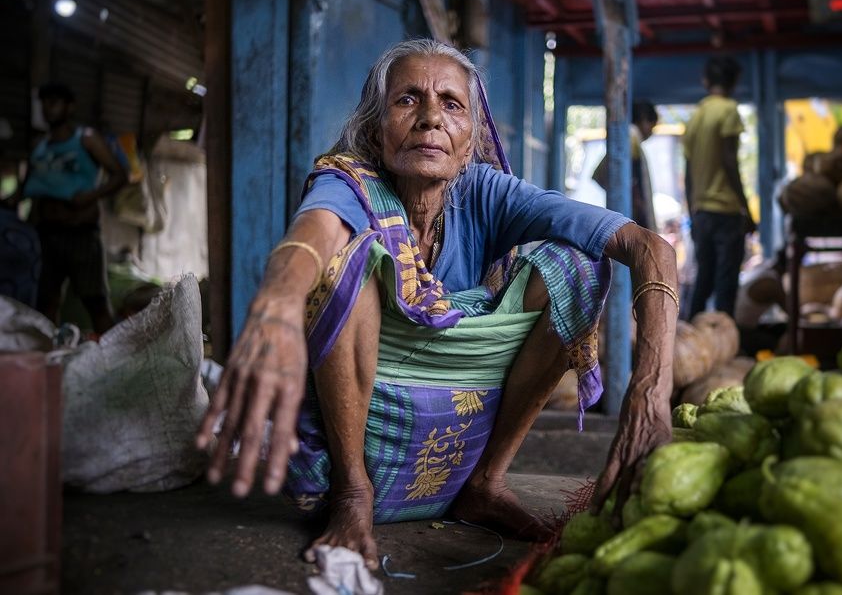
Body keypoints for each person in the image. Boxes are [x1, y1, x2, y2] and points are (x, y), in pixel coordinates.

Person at [195, 39, 679, 568]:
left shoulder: (487, 192)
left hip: (454, 444)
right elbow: (315, 234)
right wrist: (276, 304)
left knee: (578, 266)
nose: (430, 119)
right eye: (407, 100)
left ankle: (486, 483)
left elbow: (647, 246)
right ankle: (354, 494)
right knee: (347, 259)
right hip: (358, 438)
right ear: (377, 130)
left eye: (451, 104)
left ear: (470, 140)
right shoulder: (350, 183)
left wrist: (650, 391)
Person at [4, 83, 126, 332]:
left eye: (55, 102)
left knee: (97, 304)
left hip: (81, 235)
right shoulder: (40, 146)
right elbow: (24, 190)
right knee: (45, 305)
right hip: (46, 235)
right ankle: (50, 363)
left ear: (70, 107)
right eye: (45, 103)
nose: (48, 108)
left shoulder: (86, 139)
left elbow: (119, 175)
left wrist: (91, 196)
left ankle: (115, 364)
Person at [683, 56, 754, 319]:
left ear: (706, 81)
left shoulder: (696, 116)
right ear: (733, 82)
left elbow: (689, 173)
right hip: (726, 212)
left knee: (703, 280)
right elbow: (729, 161)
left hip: (702, 212)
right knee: (726, 284)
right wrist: (746, 209)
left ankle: (690, 337)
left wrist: (693, 211)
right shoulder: (728, 110)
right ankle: (726, 343)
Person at [593, 100, 658, 231]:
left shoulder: (630, 136)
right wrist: (634, 199)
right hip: (632, 215)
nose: (651, 132)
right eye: (652, 126)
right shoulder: (631, 136)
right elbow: (601, 173)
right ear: (644, 120)